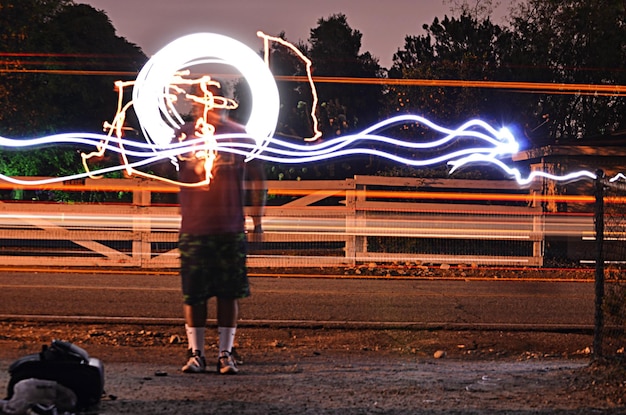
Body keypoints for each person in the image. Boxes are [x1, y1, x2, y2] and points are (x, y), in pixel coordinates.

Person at [175, 79, 260, 374]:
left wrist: (257, 219)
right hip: (195, 227)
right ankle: (196, 353)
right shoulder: (184, 135)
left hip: (229, 226)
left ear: (223, 99)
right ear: (195, 101)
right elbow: (163, 169)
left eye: (215, 95)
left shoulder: (238, 135)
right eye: (202, 96)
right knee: (194, 294)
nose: (209, 100)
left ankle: (226, 353)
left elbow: (257, 176)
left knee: (228, 293)